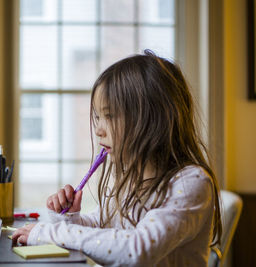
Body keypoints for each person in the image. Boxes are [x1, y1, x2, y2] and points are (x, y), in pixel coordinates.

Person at [12, 50, 222, 267]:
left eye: (109, 116)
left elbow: (136, 251)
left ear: (150, 119)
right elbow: (101, 224)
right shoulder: (132, 177)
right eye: (97, 117)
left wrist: (53, 232)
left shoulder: (190, 183)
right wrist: (70, 218)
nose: (98, 130)